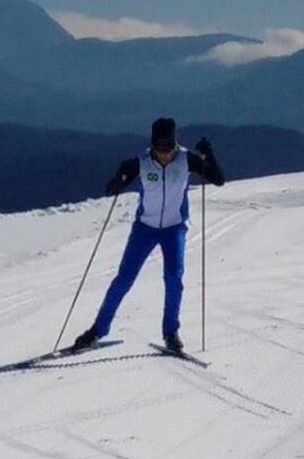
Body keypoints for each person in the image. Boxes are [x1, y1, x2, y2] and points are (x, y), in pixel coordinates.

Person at [72, 117, 225, 352]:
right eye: (159, 150)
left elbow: (218, 179)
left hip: (174, 228)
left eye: (168, 149)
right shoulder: (142, 163)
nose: (163, 155)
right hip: (144, 228)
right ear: (152, 146)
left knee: (174, 278)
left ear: (175, 144)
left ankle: (171, 332)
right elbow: (119, 178)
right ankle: (97, 331)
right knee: (123, 279)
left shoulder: (186, 160)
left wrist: (208, 155)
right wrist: (117, 181)